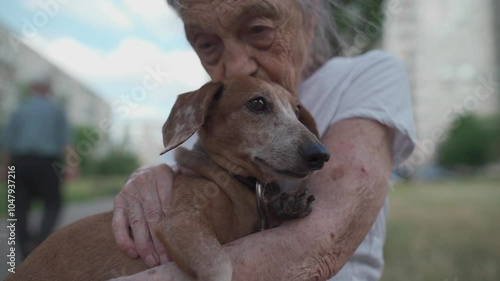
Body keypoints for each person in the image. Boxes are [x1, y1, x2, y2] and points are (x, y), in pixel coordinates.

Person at [111, 0, 416, 280]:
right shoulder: (212, 109)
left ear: (309, 22)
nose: (238, 66)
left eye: (258, 30)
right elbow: (172, 184)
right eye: (207, 44)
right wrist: (145, 177)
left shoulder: (367, 75)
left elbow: (311, 248)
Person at [2, 76, 74, 258]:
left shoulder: (19, 110)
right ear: (48, 91)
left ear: (31, 89)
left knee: (19, 206)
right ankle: (40, 242)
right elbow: (66, 142)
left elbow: (7, 143)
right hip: (47, 164)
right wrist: (73, 165)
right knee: (53, 203)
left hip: (20, 163)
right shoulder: (56, 110)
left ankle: (24, 246)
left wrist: (4, 167)